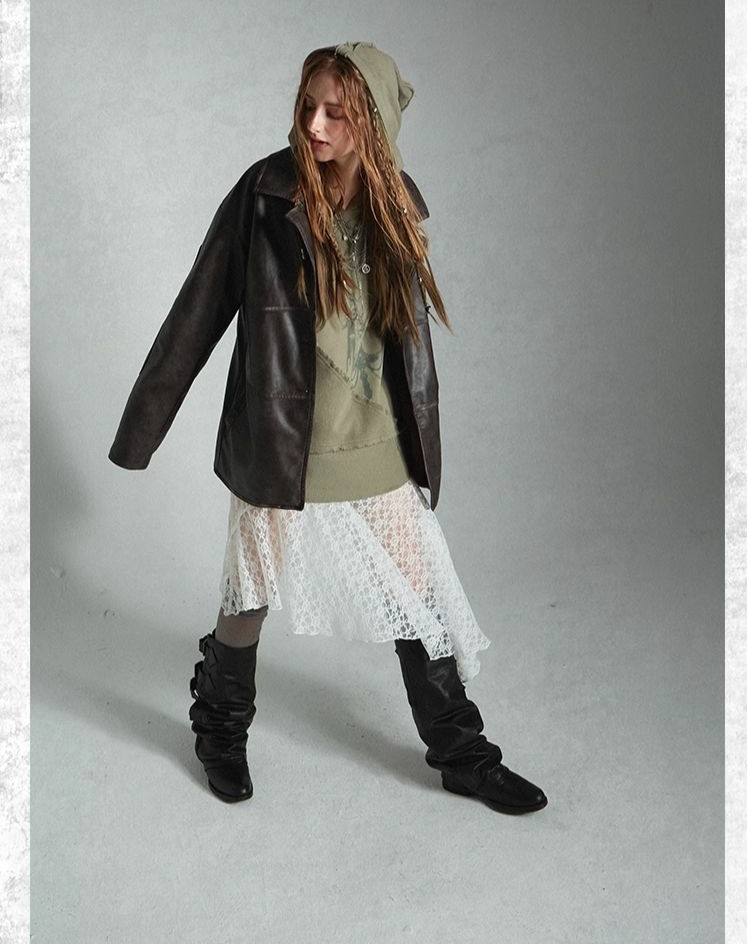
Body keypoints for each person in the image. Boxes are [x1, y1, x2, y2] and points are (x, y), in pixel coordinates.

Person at [108, 41, 548, 815]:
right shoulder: (264, 194)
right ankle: (219, 728)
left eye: (335, 112)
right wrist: (142, 430)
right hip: (283, 442)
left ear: (370, 121)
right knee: (247, 598)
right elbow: (197, 309)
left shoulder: (395, 201)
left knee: (420, 599)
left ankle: (461, 753)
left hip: (376, 440)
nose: (313, 124)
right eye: (308, 105)